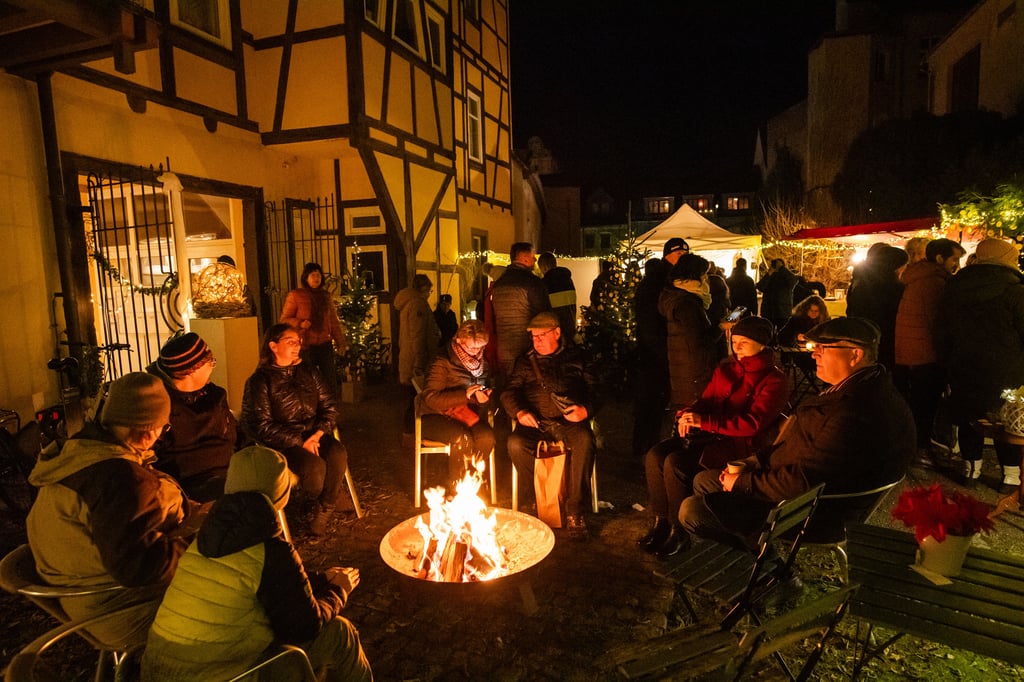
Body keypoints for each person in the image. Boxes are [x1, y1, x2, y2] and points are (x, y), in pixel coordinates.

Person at [679, 317, 914, 553]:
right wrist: (754, 462)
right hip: (793, 487)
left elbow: (804, 481)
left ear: (855, 355)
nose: (814, 354)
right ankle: (735, 556)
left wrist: (743, 482)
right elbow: (795, 448)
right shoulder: (862, 388)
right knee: (704, 480)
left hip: (805, 513)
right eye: (814, 347)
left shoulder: (855, 412)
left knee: (693, 510)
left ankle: (761, 561)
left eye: (823, 348)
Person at [141, 445, 373, 681]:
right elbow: (304, 627)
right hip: (215, 676)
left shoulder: (203, 539)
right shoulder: (271, 548)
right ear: (280, 496)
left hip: (155, 669)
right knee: (338, 632)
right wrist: (338, 590)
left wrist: (321, 580)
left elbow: (258, 583)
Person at [27, 372, 189, 646]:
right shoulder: (119, 479)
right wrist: (199, 542)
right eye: (165, 427)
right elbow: (139, 567)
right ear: (148, 431)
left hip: (83, 601)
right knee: (239, 593)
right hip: (122, 610)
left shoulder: (78, 455)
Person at [639, 316, 789, 559]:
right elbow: (707, 400)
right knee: (656, 454)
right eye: (735, 340)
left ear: (763, 345)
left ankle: (680, 532)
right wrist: (689, 413)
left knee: (676, 464)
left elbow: (753, 424)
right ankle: (662, 522)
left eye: (745, 342)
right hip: (710, 436)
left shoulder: (774, 379)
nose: (737, 347)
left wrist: (705, 422)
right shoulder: (727, 368)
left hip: (738, 446)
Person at [241, 323, 349, 535]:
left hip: (313, 433)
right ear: (273, 346)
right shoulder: (260, 381)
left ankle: (326, 506)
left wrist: (317, 435)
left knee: (337, 452)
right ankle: (325, 494)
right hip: (283, 442)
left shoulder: (309, 372)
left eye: (298, 342)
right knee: (314, 470)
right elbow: (260, 425)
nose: (297, 346)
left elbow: (329, 407)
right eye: (290, 342)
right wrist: (300, 441)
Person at [935, 238, 1024, 491]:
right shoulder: (1015, 290)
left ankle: (971, 470)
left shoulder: (954, 288)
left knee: (969, 417)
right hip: (1009, 369)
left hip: (963, 365)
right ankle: (1010, 476)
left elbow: (941, 330)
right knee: (1007, 421)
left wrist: (947, 361)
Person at [501, 312, 597, 539]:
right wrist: (520, 412)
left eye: (541, 336)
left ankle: (575, 509)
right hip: (536, 423)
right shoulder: (525, 361)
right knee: (515, 443)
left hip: (569, 422)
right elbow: (508, 392)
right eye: (533, 337)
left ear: (557, 332)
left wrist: (585, 410)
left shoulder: (578, 357)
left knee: (585, 440)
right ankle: (540, 497)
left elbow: (596, 391)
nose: (537, 341)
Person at [894, 238, 965, 467]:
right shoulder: (934, 283)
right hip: (927, 353)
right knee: (925, 405)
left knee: (916, 403)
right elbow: (938, 323)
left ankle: (917, 446)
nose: (956, 264)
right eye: (954, 259)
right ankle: (921, 449)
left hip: (910, 351)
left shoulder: (916, 278)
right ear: (939, 258)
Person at [147, 332, 241, 502]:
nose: (213, 366)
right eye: (211, 362)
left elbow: (239, 434)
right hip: (189, 487)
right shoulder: (160, 407)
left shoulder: (215, 394)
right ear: (192, 371)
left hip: (231, 474)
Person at [419, 320, 495, 485]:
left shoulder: (483, 364)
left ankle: (474, 483)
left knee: (487, 437)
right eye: (472, 347)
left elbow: (485, 391)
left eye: (480, 347)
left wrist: (484, 398)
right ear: (459, 341)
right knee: (462, 439)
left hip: (468, 416)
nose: (476, 352)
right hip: (435, 416)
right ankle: (456, 487)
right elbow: (431, 399)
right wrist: (465, 395)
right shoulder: (442, 361)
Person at [659, 253, 721, 409]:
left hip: (684, 370)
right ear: (694, 275)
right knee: (694, 416)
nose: (706, 278)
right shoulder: (687, 304)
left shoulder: (675, 296)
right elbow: (698, 341)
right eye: (704, 274)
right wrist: (721, 328)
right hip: (693, 373)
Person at [280, 262, 347, 395]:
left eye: (318, 275)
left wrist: (341, 343)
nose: (316, 278)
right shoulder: (296, 295)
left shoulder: (325, 296)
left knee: (329, 379)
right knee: (307, 380)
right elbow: (284, 319)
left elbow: (333, 321)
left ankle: (329, 408)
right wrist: (299, 323)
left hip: (324, 343)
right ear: (306, 278)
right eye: (313, 275)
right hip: (305, 344)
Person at [491, 242, 550, 382]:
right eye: (532, 257)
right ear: (524, 258)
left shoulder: (499, 284)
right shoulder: (532, 283)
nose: (535, 260)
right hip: (527, 349)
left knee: (508, 386)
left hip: (504, 349)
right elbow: (544, 316)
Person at [845, 244, 908, 371]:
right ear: (894, 267)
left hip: (864, 337)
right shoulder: (891, 288)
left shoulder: (861, 281)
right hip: (885, 339)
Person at [393, 274, 440, 387]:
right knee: (419, 395)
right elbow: (418, 334)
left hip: (409, 355)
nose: (429, 294)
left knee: (415, 395)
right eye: (429, 291)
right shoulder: (418, 304)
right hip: (416, 359)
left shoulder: (408, 303)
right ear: (424, 289)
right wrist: (419, 362)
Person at [538, 251, 578, 342]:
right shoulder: (568, 280)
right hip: (570, 327)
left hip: (555, 332)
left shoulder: (545, 283)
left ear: (544, 267)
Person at [756, 259, 798, 329]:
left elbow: (794, 280)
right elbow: (760, 287)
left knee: (782, 334)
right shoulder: (769, 277)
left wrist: (782, 269)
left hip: (782, 312)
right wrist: (769, 274)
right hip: (769, 312)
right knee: (768, 333)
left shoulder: (786, 278)